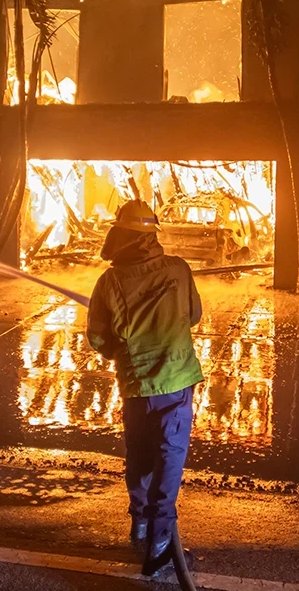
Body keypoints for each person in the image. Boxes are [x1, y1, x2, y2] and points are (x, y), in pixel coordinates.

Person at [86, 199, 203, 576]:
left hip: (136, 387)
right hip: (176, 383)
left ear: (120, 233)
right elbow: (195, 315)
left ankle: (139, 522)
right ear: (152, 234)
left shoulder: (109, 282)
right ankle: (160, 535)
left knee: (138, 456)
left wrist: (126, 346)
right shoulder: (179, 269)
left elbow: (98, 341)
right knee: (169, 454)